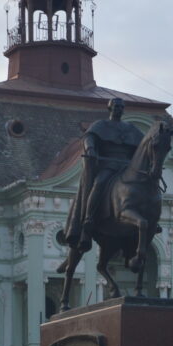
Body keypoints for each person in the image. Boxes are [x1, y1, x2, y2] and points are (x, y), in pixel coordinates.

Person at [64, 98, 143, 250]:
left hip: (128, 166)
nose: (119, 109)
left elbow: (143, 144)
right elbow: (89, 137)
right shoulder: (101, 125)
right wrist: (91, 149)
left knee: (146, 186)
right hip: (108, 163)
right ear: (110, 108)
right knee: (99, 183)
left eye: (121, 107)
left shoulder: (131, 128)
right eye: (116, 106)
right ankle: (89, 218)